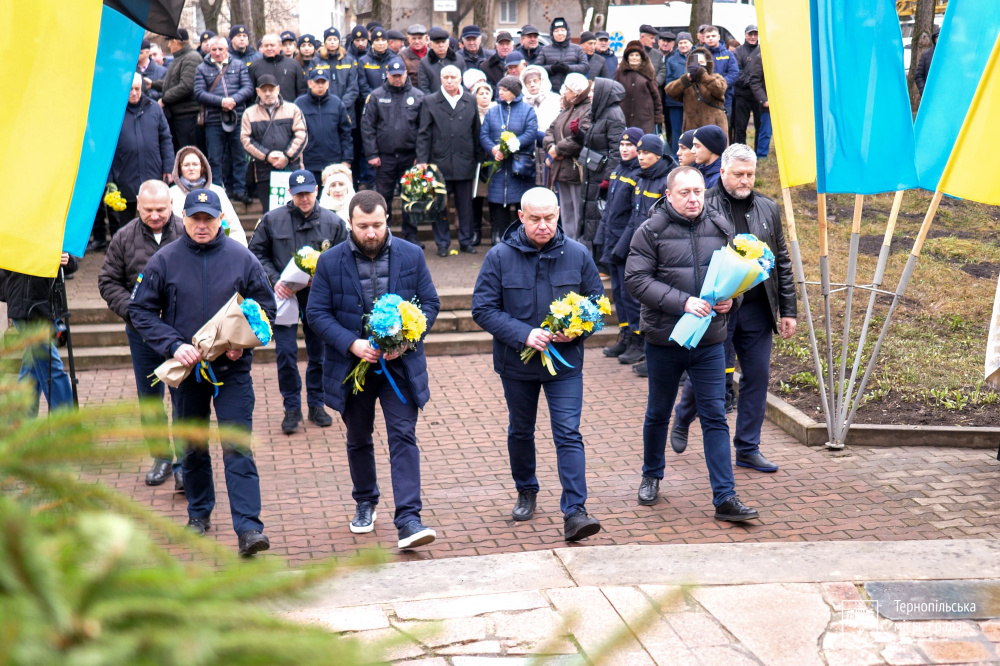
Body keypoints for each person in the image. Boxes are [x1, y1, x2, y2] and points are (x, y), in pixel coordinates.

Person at [129, 188, 276, 555]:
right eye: (195, 218)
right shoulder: (165, 260)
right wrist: (173, 345)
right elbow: (140, 311)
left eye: (208, 219)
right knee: (192, 446)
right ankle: (198, 513)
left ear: (221, 220)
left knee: (237, 446)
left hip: (232, 370)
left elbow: (267, 309)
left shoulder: (242, 258)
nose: (201, 225)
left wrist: (245, 341)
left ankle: (249, 529)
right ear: (184, 218)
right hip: (187, 371)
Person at [305, 190, 441, 549]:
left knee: (403, 435)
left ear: (387, 221)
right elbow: (316, 313)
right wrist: (352, 344)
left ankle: (409, 519)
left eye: (377, 225)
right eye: (363, 225)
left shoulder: (411, 254)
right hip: (353, 367)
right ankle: (365, 500)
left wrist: (408, 339)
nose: (370, 232)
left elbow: (430, 303)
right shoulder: (330, 261)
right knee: (358, 437)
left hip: (401, 366)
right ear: (350, 222)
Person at [624, 166, 759, 523]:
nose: (693, 199)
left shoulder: (721, 227)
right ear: (668, 195)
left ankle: (725, 497)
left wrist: (733, 301)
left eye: (698, 191)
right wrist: (682, 302)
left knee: (714, 415)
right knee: (658, 411)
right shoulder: (650, 230)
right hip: (665, 339)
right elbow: (636, 280)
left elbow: (736, 276)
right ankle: (651, 475)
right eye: (684, 192)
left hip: (710, 340)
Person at [471, 187, 604, 542]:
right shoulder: (499, 257)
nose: (543, 225)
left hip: (565, 364)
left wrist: (577, 330)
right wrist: (524, 334)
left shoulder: (578, 254)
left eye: (549, 218)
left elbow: (597, 304)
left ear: (558, 215)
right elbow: (482, 309)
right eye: (535, 219)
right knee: (521, 430)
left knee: (568, 433)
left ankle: (575, 512)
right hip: (517, 364)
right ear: (521, 217)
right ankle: (526, 489)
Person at [669, 144, 796, 471]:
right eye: (739, 174)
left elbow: (781, 260)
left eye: (750, 174)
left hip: (757, 308)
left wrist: (788, 310)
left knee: (757, 377)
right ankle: (683, 417)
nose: (745, 180)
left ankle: (748, 448)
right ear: (722, 171)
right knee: (707, 374)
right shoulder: (704, 204)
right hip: (718, 309)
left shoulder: (767, 207)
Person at [98, 180, 184, 488]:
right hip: (142, 334)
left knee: (183, 398)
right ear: (138, 204)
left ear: (171, 204)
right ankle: (161, 457)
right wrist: (134, 311)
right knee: (150, 398)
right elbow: (108, 282)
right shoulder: (123, 237)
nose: (155, 215)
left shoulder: (187, 231)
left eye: (161, 209)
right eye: (148, 210)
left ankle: (185, 462)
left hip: (181, 333)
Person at [249, 169, 347, 434]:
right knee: (286, 354)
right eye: (299, 194)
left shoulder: (333, 222)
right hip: (284, 296)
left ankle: (317, 404)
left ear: (316, 191)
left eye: (308, 193)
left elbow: (344, 258)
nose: (304, 199)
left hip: (318, 296)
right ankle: (291, 408)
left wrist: (323, 279)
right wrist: (275, 280)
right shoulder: (272, 219)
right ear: (290, 193)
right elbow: (256, 254)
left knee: (319, 353)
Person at [612, 133, 676, 368]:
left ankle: (650, 352)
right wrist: (621, 249)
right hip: (641, 249)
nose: (640, 157)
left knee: (653, 304)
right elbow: (635, 218)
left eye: (645, 152)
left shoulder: (665, 180)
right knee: (632, 298)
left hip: (658, 253)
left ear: (658, 155)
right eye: (639, 152)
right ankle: (642, 347)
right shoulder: (642, 178)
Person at [0, 252, 78, 416]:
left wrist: (67, 260)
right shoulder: (17, 241)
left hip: (47, 309)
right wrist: (10, 292)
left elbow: (72, 265)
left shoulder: (52, 237)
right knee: (51, 365)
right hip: (26, 309)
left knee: (32, 371)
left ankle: (21, 421)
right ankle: (67, 423)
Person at [103, 73, 174, 247]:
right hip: (124, 175)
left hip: (152, 173)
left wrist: (168, 167)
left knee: (154, 217)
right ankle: (125, 251)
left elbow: (165, 138)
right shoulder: (114, 112)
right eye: (130, 89)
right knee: (125, 225)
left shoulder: (154, 108)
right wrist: (109, 179)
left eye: (137, 89)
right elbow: (106, 147)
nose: (134, 93)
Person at [416, 65, 482, 255]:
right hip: (439, 161)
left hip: (465, 161)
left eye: (453, 77)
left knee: (465, 206)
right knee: (440, 206)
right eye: (446, 77)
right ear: (441, 79)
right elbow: (424, 133)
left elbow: (476, 130)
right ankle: (442, 243)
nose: (449, 80)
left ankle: (466, 241)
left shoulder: (470, 100)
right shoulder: (430, 101)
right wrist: (422, 160)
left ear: (460, 79)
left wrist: (478, 158)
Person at [362, 57, 426, 246]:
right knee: (384, 198)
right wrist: (372, 154)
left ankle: (411, 235)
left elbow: (424, 129)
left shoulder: (418, 96)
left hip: (410, 157)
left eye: (400, 75)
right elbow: (367, 126)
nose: (397, 79)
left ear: (406, 74)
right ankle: (383, 235)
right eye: (394, 75)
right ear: (387, 74)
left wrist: (420, 156)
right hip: (385, 158)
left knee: (411, 197)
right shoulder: (376, 96)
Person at [595, 127, 643, 358]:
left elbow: (634, 217)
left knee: (630, 295)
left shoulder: (638, 175)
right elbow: (609, 211)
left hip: (626, 246)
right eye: (622, 145)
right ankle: (625, 335)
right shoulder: (617, 170)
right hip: (612, 243)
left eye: (629, 145)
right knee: (618, 294)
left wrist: (621, 247)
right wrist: (601, 239)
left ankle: (638, 339)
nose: (624, 149)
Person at [195, 35, 255, 206]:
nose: (217, 52)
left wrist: (233, 100)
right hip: (213, 120)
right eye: (214, 49)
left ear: (227, 49)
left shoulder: (239, 65)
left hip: (237, 117)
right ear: (209, 50)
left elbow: (248, 88)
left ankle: (240, 190)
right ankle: (217, 191)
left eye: (220, 49)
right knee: (215, 158)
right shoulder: (201, 68)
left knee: (239, 156)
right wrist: (221, 102)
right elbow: (199, 93)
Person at [481, 76, 538, 245]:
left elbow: (531, 132)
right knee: (498, 205)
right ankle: (499, 238)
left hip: (519, 168)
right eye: (499, 89)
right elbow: (484, 134)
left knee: (521, 205)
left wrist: (512, 145)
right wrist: (493, 149)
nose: (500, 92)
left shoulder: (527, 110)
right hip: (498, 168)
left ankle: (522, 239)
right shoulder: (492, 111)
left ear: (514, 91)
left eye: (504, 89)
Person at [240, 74, 308, 206]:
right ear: (257, 92)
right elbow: (245, 140)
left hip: (291, 168)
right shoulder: (249, 113)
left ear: (278, 89)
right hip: (264, 172)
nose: (268, 93)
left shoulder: (293, 109)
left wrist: (286, 156)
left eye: (271, 90)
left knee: (296, 209)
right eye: (264, 90)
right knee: (270, 212)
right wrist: (267, 156)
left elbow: (302, 134)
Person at [579, 78, 626, 251]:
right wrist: (579, 134)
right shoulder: (600, 112)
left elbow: (616, 150)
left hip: (601, 176)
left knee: (598, 218)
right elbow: (594, 142)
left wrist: (609, 177)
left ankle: (600, 261)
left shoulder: (614, 115)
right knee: (591, 218)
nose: (590, 95)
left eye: (593, 91)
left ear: (603, 92)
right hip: (593, 174)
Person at [543, 73, 592, 240]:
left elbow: (581, 138)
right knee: (566, 213)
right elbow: (550, 130)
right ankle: (568, 244)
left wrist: (558, 150)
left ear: (576, 92)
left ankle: (578, 248)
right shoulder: (568, 108)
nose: (564, 92)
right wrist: (551, 147)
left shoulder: (587, 110)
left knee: (577, 213)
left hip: (576, 169)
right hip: (562, 169)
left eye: (567, 89)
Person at [168, 145, 248, 247]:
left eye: (195, 164)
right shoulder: (171, 193)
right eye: (186, 165)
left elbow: (233, 226)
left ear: (202, 167)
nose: (191, 168)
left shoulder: (218, 191)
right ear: (179, 168)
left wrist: (240, 251)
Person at [295, 66, 353, 185]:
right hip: (308, 162)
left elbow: (346, 134)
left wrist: (346, 159)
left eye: (323, 82)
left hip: (333, 163)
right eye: (317, 82)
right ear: (309, 83)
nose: (320, 86)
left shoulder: (337, 103)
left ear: (328, 84)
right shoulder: (299, 104)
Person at [152, 29, 202, 151]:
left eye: (169, 42)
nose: (168, 46)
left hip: (188, 117)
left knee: (188, 152)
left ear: (175, 41)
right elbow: (172, 83)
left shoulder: (191, 58)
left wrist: (164, 100)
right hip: (179, 116)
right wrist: (152, 84)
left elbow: (186, 86)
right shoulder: (180, 58)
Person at [665, 45, 728, 135]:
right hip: (691, 129)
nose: (698, 66)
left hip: (714, 127)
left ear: (707, 63)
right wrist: (685, 80)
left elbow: (720, 90)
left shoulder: (716, 78)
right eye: (696, 63)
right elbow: (669, 91)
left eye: (701, 62)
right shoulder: (688, 82)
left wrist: (703, 75)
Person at [520, 65, 561, 186]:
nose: (532, 85)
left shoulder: (555, 99)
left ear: (542, 81)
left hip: (550, 146)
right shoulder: (522, 102)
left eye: (535, 81)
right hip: (529, 151)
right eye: (528, 82)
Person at [312, 28, 361, 124]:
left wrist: (341, 105)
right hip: (324, 110)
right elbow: (313, 85)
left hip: (346, 111)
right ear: (325, 42)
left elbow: (353, 88)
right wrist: (328, 105)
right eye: (329, 39)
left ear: (339, 41)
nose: (332, 42)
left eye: (335, 39)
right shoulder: (316, 61)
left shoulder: (349, 60)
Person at [614, 41, 663, 135]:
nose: (634, 58)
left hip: (645, 118)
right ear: (627, 57)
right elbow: (614, 93)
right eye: (631, 55)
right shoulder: (620, 72)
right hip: (624, 116)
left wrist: (658, 116)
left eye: (637, 55)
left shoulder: (648, 71)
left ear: (641, 57)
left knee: (643, 142)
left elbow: (656, 96)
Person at [471, 79, 496, 246]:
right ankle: (476, 231)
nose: (485, 96)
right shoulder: (471, 112)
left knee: (494, 198)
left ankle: (495, 232)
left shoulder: (497, 111)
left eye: (487, 93)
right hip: (476, 162)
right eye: (481, 93)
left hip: (494, 161)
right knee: (476, 199)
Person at [248, 34, 307, 103]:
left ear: (280, 46)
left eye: (272, 45)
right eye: (266, 46)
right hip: (263, 108)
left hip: (289, 108)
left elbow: (301, 91)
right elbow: (251, 94)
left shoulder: (294, 65)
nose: (269, 48)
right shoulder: (254, 66)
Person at [536, 17, 588, 92]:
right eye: (556, 31)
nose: (560, 33)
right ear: (552, 33)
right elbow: (536, 69)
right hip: (550, 91)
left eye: (562, 30)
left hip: (573, 91)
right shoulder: (544, 50)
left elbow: (585, 67)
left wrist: (568, 68)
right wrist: (552, 68)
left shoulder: (577, 49)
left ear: (567, 32)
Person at [732, 25, 763, 146]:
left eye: (755, 34)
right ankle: (740, 151)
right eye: (750, 34)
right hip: (742, 95)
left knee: (760, 126)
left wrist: (757, 86)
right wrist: (752, 82)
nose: (753, 37)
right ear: (745, 35)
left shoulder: (763, 50)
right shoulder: (738, 51)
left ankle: (759, 152)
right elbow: (737, 71)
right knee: (740, 127)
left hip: (758, 96)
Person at [663, 32, 692, 153]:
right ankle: (676, 156)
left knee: (691, 130)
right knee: (677, 131)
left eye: (685, 42)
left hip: (693, 101)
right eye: (680, 43)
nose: (683, 45)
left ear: (691, 43)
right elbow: (668, 81)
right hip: (675, 102)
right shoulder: (671, 60)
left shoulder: (696, 57)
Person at [703, 26, 739, 116]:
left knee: (724, 123)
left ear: (718, 37)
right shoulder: (698, 54)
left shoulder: (728, 54)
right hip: (704, 97)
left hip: (724, 97)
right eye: (708, 36)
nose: (710, 38)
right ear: (704, 38)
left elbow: (734, 73)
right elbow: (694, 73)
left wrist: (719, 85)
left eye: (713, 36)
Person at [418, 27, 466, 93]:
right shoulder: (425, 63)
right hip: (433, 98)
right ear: (431, 44)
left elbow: (464, 83)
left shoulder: (458, 60)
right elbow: (424, 87)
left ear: (448, 43)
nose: (441, 45)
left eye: (443, 42)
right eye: (437, 42)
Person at [359, 27, 396, 92]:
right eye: (377, 40)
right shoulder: (363, 61)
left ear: (387, 42)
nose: (380, 43)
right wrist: (374, 96)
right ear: (372, 43)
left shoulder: (395, 59)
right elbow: (363, 85)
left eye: (383, 40)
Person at [692, 124, 727, 190]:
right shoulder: (702, 172)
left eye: (697, 146)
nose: (692, 151)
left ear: (711, 148)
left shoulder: (719, 180)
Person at [638, 24, 666, 97]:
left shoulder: (657, 54)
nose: (654, 41)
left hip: (653, 94)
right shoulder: (633, 53)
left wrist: (655, 83)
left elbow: (662, 70)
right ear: (642, 37)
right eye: (651, 38)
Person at [915, 25, 940, 95]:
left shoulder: (952, 54)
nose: (939, 39)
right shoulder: (926, 54)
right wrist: (924, 92)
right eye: (937, 37)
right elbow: (919, 76)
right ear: (934, 39)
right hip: (931, 95)